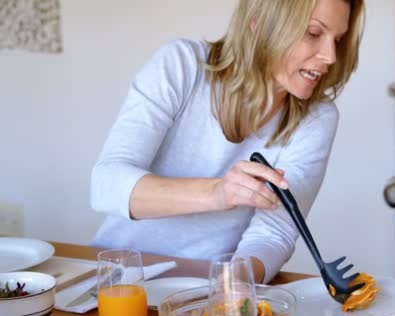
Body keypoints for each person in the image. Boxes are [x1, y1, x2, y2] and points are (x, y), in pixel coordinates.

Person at [89, 0, 365, 284]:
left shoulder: (316, 118)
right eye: (313, 33)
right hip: (120, 280)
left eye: (338, 40)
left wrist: (234, 285)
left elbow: (274, 233)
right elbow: (106, 186)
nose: (331, 56)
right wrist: (217, 193)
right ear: (259, 23)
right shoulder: (182, 65)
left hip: (209, 284)